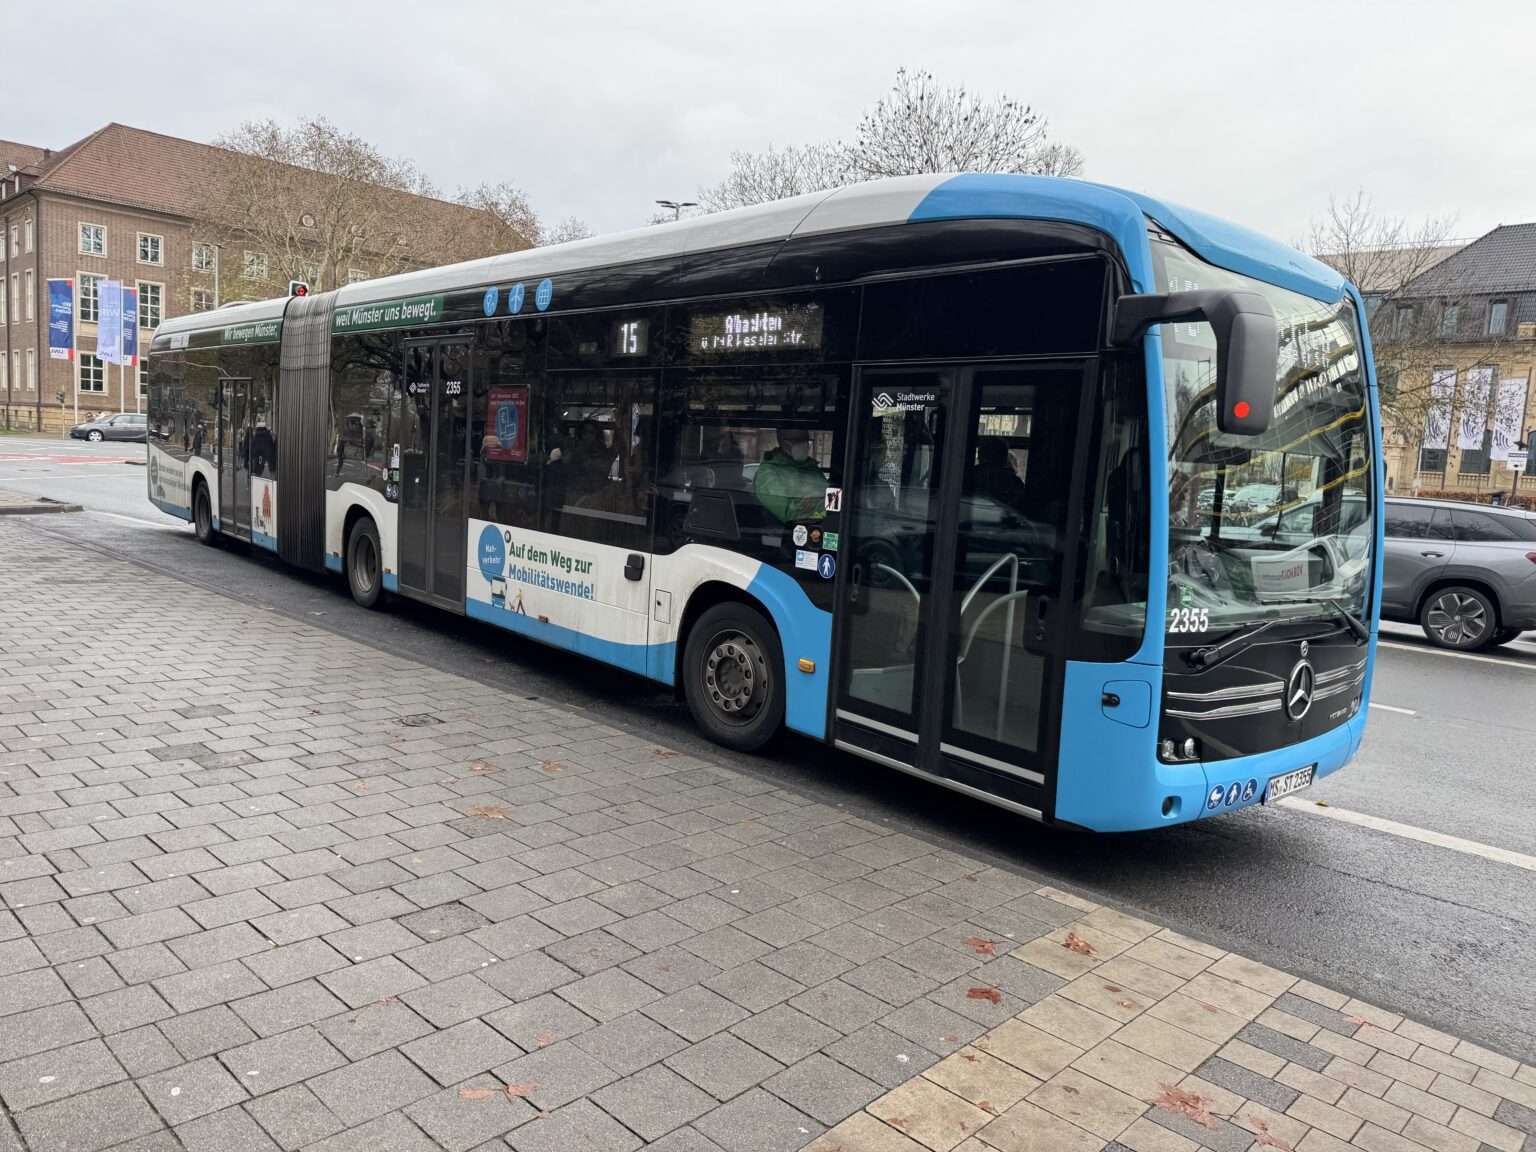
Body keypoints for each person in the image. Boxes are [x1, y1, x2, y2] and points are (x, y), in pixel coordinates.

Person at [754, 428, 825, 524]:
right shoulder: (768, 473)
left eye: (806, 441)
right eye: (798, 441)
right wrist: (819, 505)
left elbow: (833, 500)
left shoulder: (812, 468)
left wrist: (814, 504)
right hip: (783, 534)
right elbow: (791, 515)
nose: (805, 445)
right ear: (784, 442)